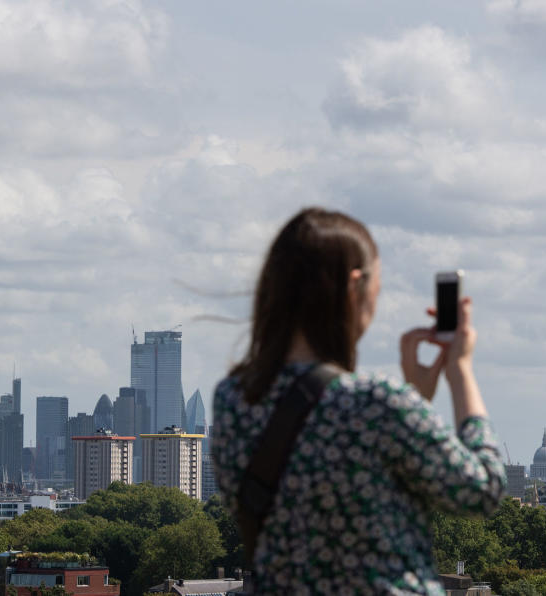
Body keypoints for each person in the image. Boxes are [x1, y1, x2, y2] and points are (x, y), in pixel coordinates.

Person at [211, 207, 506, 595]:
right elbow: (482, 489)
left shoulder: (233, 401)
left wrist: (413, 400)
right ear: (354, 287)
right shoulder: (378, 404)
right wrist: (460, 371)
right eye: (378, 289)